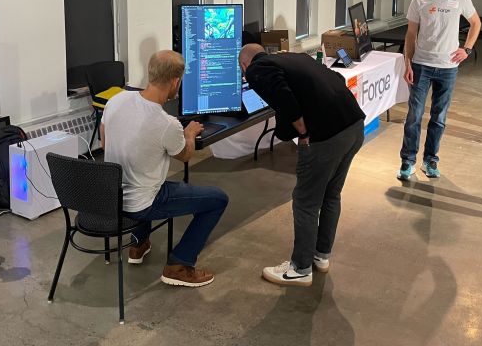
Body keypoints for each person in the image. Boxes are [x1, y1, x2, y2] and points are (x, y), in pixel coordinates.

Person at [239, 44, 365, 287]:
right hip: (354, 125)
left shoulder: (257, 69)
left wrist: (303, 132)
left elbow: (285, 99)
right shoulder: (292, 58)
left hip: (327, 136)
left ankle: (300, 268)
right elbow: (335, 77)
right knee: (330, 195)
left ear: (244, 65)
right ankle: (321, 256)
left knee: (306, 202)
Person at [100, 50, 229, 287]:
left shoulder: (116, 100)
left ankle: (138, 245)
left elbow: (104, 141)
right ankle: (179, 265)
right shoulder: (166, 123)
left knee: (143, 173)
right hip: (142, 203)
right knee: (217, 199)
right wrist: (189, 133)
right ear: (175, 82)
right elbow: (185, 155)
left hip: (111, 196)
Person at [398, 0, 481, 180]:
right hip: (422, 65)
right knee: (414, 116)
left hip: (448, 67)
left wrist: (467, 49)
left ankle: (430, 160)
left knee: (439, 117)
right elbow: (411, 34)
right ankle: (407, 161)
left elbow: (476, 23)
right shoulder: (420, 0)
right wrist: (408, 63)